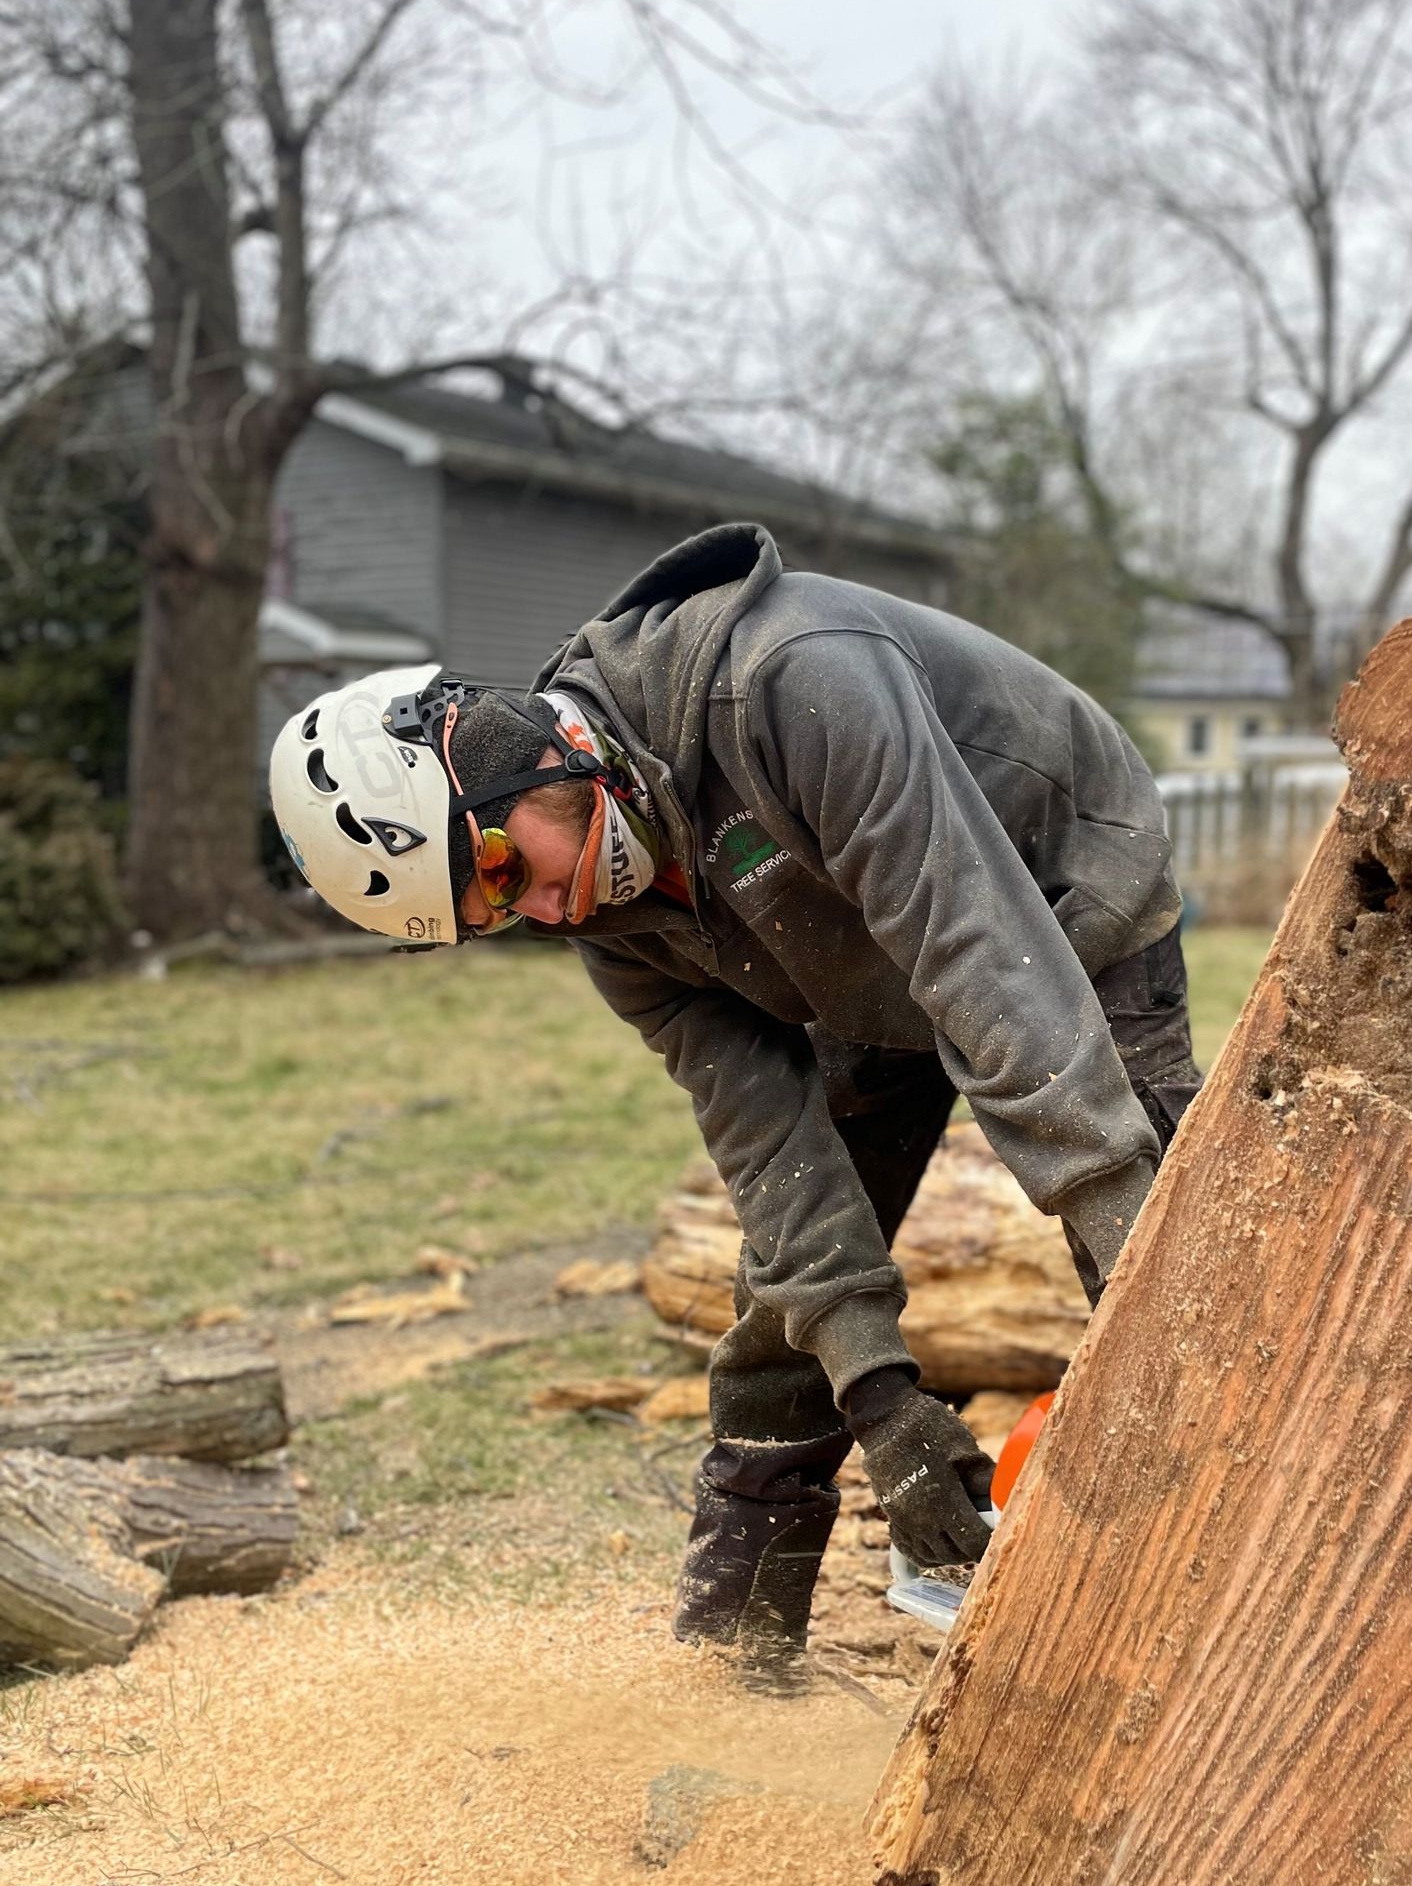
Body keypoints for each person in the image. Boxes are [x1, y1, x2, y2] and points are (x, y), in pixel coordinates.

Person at [271, 522, 1200, 1667]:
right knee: (789, 1300)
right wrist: (883, 1404)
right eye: (497, 913)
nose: (549, 912)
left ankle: (1232, 1571)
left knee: (1155, 1225)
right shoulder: (611, 923)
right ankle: (732, 1664)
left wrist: (1132, 1239)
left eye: (506, 868)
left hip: (1047, 887)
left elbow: (979, 957)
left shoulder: (790, 682)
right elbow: (772, 1152)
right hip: (850, 957)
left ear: (505, 747)